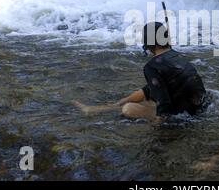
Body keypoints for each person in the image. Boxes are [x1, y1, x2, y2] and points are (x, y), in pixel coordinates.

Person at [74, 21, 208, 121]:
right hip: (200, 108)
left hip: (184, 116)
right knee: (133, 101)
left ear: (148, 43)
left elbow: (164, 102)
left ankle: (97, 109)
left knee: (128, 109)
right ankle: (98, 109)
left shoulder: (152, 67)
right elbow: (152, 88)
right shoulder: (179, 56)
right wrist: (122, 100)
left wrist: (157, 131)